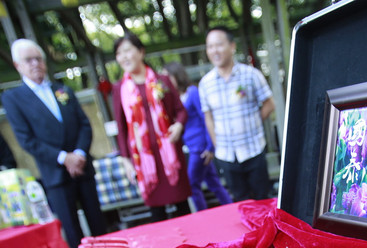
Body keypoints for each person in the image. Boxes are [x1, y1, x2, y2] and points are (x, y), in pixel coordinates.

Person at [1, 38, 107, 248]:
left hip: (82, 166)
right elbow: (26, 139)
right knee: (72, 231)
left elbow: (84, 125)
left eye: (38, 59)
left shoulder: (63, 90)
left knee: (99, 224)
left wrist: (78, 154)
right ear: (17, 65)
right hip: (55, 173)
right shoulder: (13, 98)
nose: (35, 64)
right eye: (28, 60)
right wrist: (63, 158)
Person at [112, 33, 192, 222]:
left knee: (182, 207)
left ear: (141, 52)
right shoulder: (119, 89)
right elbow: (121, 127)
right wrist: (125, 160)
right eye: (119, 53)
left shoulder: (162, 80)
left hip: (170, 154)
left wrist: (178, 126)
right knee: (157, 214)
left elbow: (181, 111)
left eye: (128, 50)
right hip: (144, 159)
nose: (124, 57)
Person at [199, 26, 275, 201]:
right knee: (240, 203)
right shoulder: (205, 83)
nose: (214, 50)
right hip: (226, 155)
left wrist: (253, 122)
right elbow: (208, 117)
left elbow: (269, 104)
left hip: (253, 149)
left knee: (263, 200)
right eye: (210, 46)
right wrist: (217, 144)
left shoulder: (251, 75)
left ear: (232, 46)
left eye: (219, 45)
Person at [162, 62, 233, 211]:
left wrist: (210, 146)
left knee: (192, 184)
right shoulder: (174, 98)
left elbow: (205, 118)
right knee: (214, 182)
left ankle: (202, 215)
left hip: (199, 146)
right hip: (191, 145)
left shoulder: (192, 92)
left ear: (176, 76)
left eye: (167, 77)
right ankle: (231, 209)